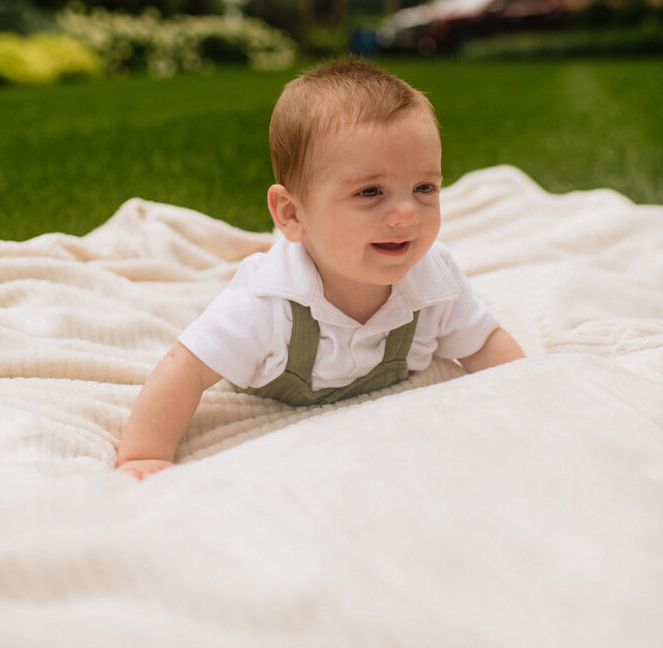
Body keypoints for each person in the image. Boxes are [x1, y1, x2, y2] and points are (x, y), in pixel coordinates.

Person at [117, 60, 524, 480]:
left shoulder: (433, 278)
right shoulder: (268, 301)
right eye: (370, 192)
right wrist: (144, 454)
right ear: (291, 213)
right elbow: (185, 369)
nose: (407, 215)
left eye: (424, 188)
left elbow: (483, 343)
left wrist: (531, 395)